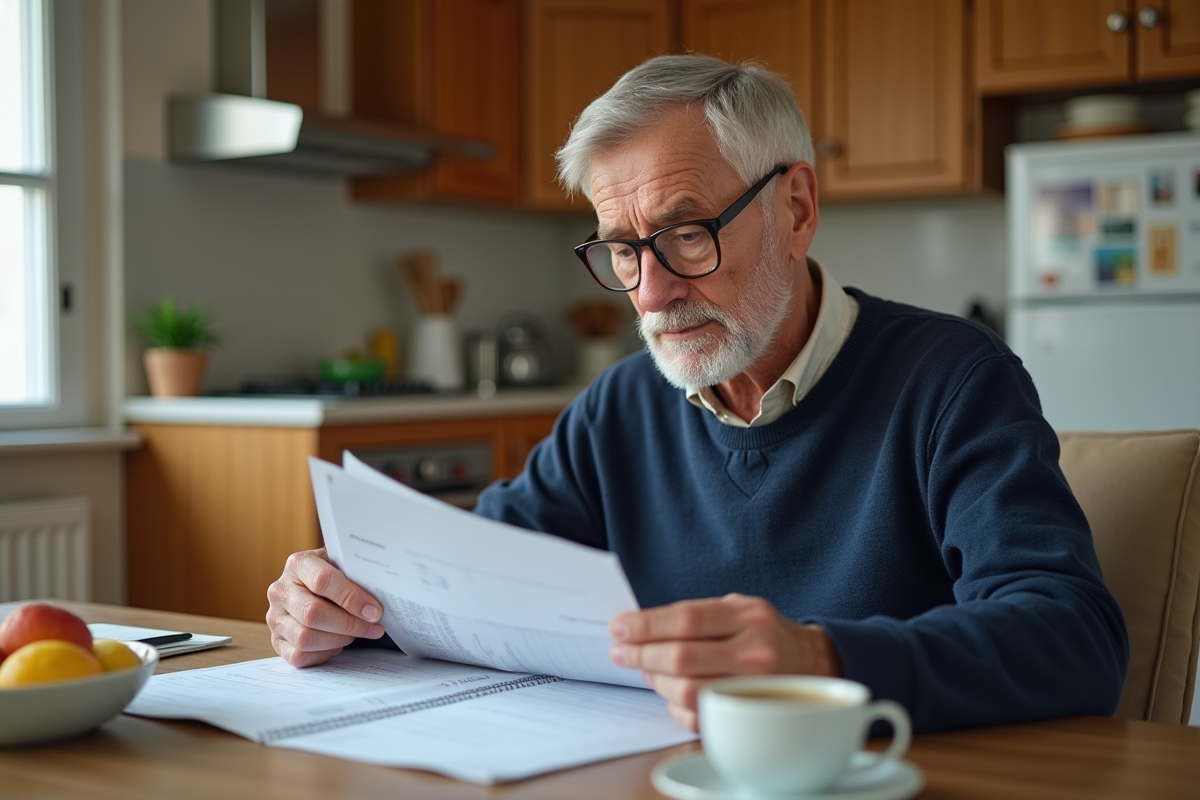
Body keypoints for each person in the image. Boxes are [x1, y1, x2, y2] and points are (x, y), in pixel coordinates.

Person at [267, 54, 1129, 734]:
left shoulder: (954, 380)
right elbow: (466, 579)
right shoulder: (619, 408)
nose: (648, 292)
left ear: (795, 208)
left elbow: (1074, 637)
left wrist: (820, 659)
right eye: (623, 250)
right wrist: (348, 602)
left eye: (685, 234)